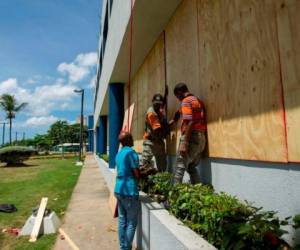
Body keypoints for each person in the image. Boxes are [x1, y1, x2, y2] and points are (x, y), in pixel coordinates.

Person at [172, 82, 207, 184]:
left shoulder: (186, 101)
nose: (178, 99)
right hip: (201, 137)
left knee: (179, 167)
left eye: (177, 96)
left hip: (191, 136)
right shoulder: (197, 100)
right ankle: (198, 191)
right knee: (191, 166)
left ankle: (173, 197)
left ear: (179, 92)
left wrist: (185, 143)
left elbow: (190, 121)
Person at [114, 131, 140, 250]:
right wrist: (146, 172)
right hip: (129, 191)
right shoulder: (131, 153)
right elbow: (136, 174)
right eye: (132, 137)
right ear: (128, 140)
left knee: (122, 220)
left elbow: (124, 169)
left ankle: (122, 246)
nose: (133, 139)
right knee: (131, 222)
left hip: (119, 190)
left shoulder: (119, 154)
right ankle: (125, 248)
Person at [140, 91, 171, 174]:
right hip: (150, 142)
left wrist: (165, 96)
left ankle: (161, 181)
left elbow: (162, 105)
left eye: (159, 103)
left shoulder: (158, 110)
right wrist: (170, 125)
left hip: (159, 142)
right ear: (152, 102)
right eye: (156, 103)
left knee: (162, 167)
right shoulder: (151, 113)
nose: (158, 105)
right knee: (143, 164)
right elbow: (158, 130)